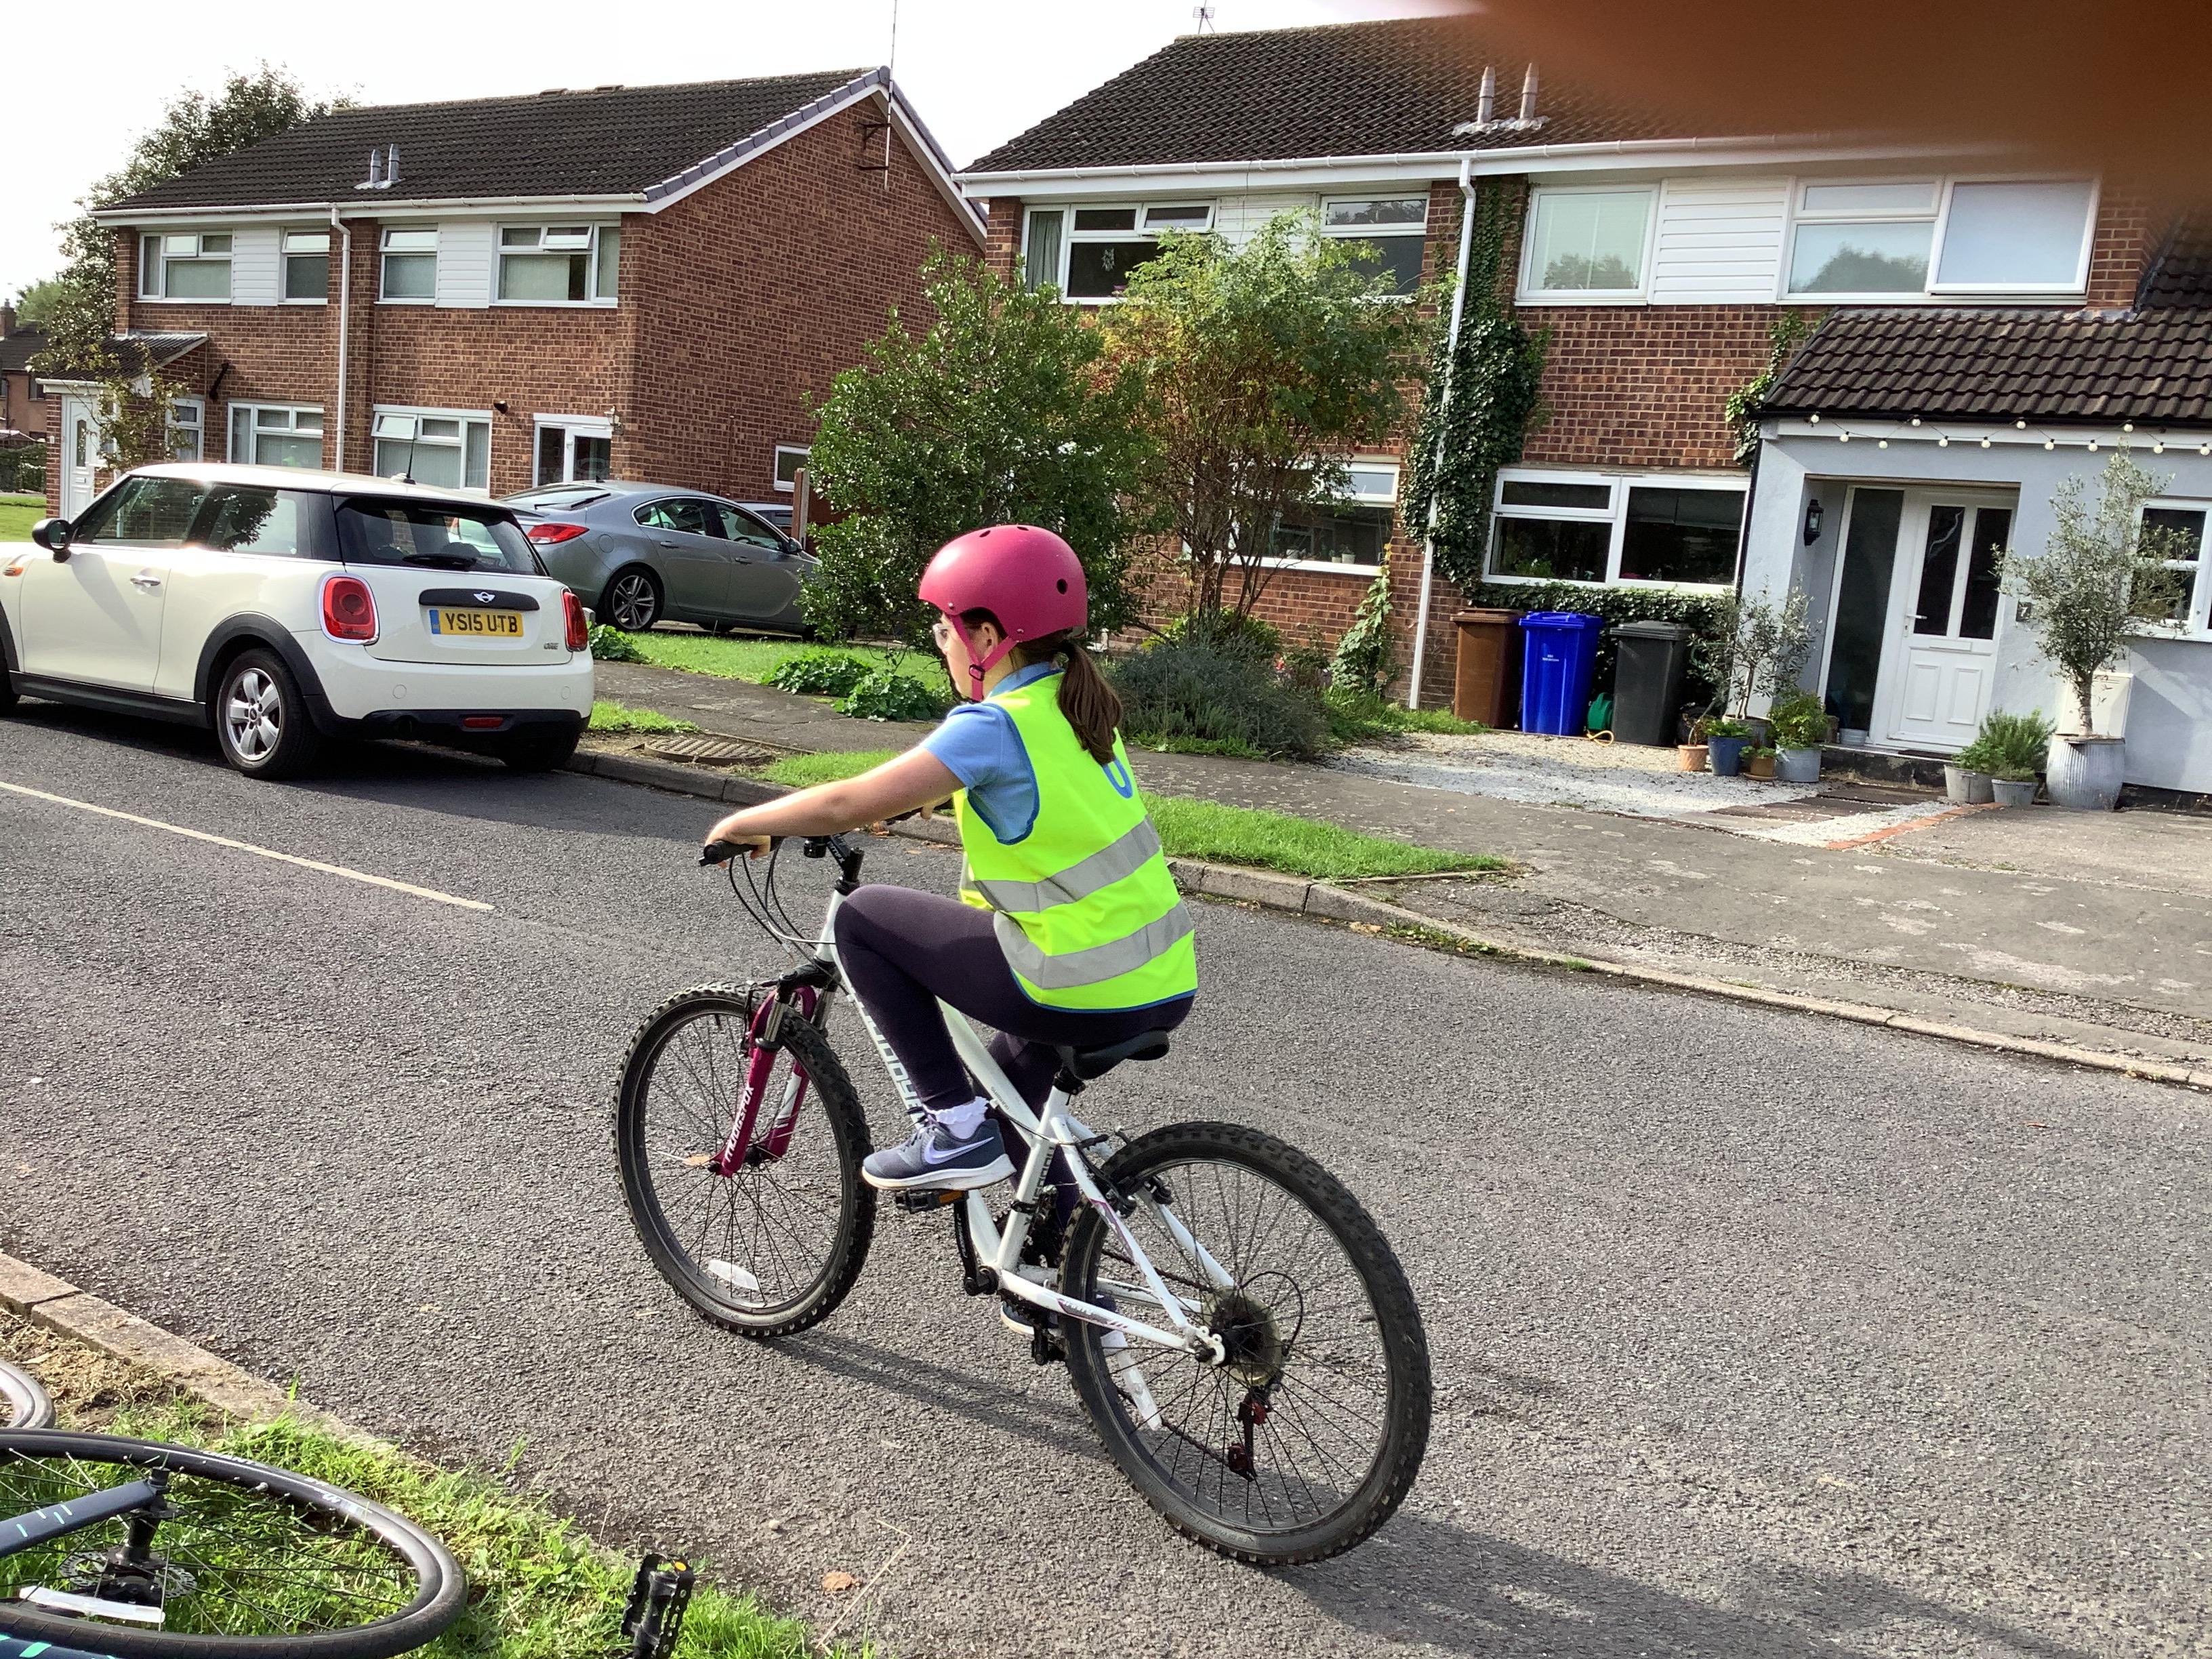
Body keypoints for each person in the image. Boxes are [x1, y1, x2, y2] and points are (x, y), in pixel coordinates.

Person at [702, 524, 1198, 1194]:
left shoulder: (993, 725)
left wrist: (745, 822)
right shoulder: (1076, 706)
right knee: (1011, 1107)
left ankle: (952, 1130)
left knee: (861, 918)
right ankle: (1063, 1245)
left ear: (987, 638)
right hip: (1159, 978)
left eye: (945, 630)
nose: (943, 645)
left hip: (1073, 979)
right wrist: (941, 793)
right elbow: (1048, 802)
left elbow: (844, 802)